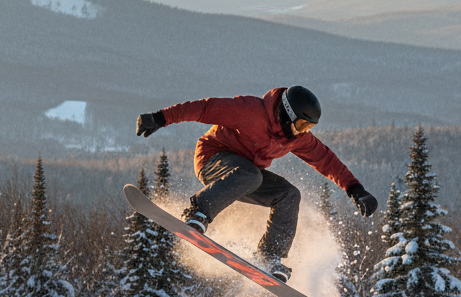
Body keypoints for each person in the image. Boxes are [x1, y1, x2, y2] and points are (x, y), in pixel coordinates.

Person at [136, 86, 377, 283]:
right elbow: (204, 108)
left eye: (309, 128)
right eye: (302, 125)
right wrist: (160, 118)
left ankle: (269, 255)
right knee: (251, 175)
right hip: (213, 159)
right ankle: (197, 212)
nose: (303, 132)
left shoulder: (296, 138)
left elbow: (325, 159)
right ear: (287, 114)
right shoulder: (250, 111)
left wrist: (355, 189)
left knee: (289, 194)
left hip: (245, 176)